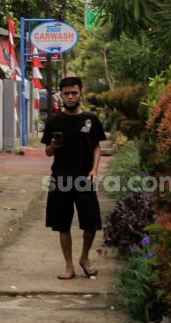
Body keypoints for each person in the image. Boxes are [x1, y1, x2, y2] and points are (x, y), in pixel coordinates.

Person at [41, 76, 106, 280]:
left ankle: (84, 258)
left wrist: (95, 169)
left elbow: (97, 146)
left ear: (81, 93)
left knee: (91, 221)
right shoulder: (54, 121)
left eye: (74, 93)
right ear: (61, 95)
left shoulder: (91, 120)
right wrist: (54, 145)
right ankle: (69, 266)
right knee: (62, 224)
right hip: (60, 178)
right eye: (66, 93)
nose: (70, 97)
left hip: (84, 178)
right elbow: (48, 152)